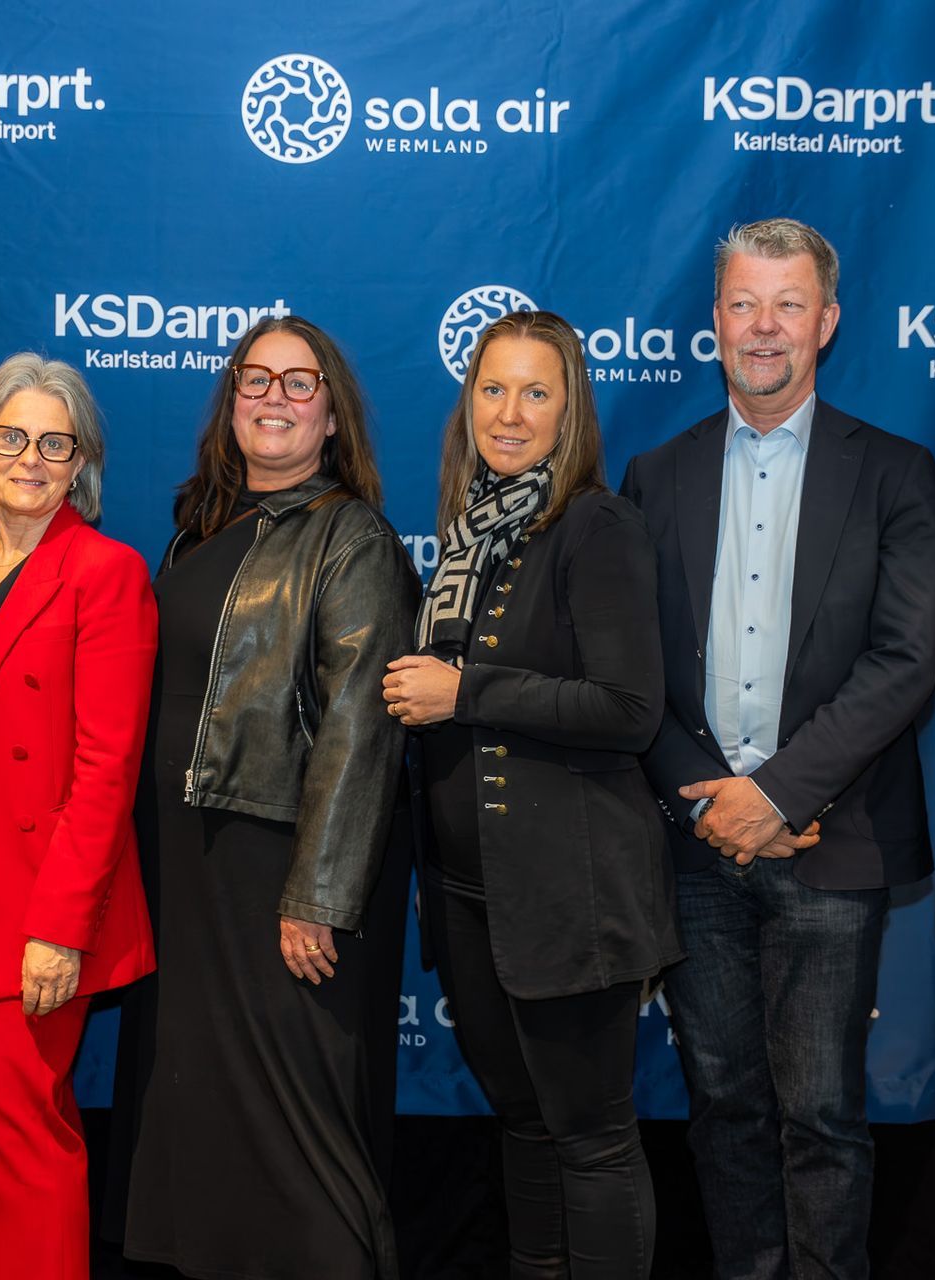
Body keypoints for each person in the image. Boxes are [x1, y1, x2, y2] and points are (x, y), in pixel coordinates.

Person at [618, 217, 935, 1280]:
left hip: (830, 841)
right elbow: (631, 673)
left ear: (828, 321)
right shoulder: (655, 475)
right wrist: (711, 800)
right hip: (697, 842)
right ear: (715, 320)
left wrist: (776, 795)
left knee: (823, 1114)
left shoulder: (894, 471)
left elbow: (903, 661)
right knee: (724, 1106)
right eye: (744, 304)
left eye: (788, 304)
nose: (765, 327)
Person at [110, 316, 419, 1279]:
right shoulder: (198, 532)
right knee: (199, 1112)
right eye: (256, 379)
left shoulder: (351, 537)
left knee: (298, 1127)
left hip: (279, 870)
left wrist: (318, 893)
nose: (274, 398)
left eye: (299, 381)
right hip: (185, 865)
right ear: (230, 402)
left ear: (332, 416)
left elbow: (361, 727)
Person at [383, 310, 680, 1277]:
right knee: (522, 1121)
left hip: (571, 897)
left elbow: (629, 709)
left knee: (590, 1137)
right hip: (471, 896)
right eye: (493, 389)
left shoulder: (595, 525)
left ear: (570, 412)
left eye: (535, 393)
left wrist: (465, 691)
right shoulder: (470, 533)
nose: (509, 414)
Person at [0, 354, 156, 1279]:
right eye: (12, 437)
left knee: (21, 1129)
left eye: (55, 443)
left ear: (81, 461)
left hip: (37, 894)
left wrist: (61, 928)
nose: (31, 459)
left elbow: (106, 767)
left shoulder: (107, 572)